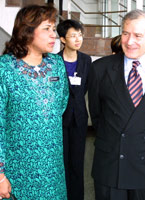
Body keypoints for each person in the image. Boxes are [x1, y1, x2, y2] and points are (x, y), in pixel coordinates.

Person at [88, 9, 145, 200]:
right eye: (125, 33)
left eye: (138, 35)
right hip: (111, 162)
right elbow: (97, 115)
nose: (130, 41)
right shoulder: (100, 68)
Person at [0, 4, 68, 199]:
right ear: (27, 31)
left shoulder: (56, 65)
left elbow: (60, 105)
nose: (53, 34)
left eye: (54, 29)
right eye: (46, 29)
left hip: (52, 166)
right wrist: (0, 175)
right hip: (17, 171)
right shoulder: (4, 69)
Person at [57, 19, 92, 200]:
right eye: (73, 36)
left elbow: (86, 87)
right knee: (62, 163)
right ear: (63, 39)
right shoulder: (54, 61)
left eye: (80, 35)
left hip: (79, 117)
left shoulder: (86, 60)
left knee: (78, 163)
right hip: (59, 120)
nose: (78, 39)